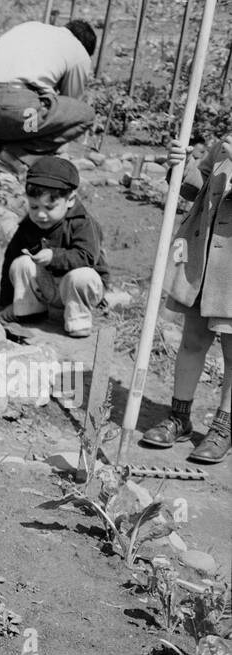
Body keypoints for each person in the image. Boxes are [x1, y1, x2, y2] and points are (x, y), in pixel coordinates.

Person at [137, 137, 232, 465]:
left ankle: (223, 427)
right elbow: (196, 189)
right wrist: (183, 165)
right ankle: (180, 417)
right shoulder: (224, 144)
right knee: (192, 340)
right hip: (204, 261)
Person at [0, 19, 98, 176]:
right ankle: (12, 159)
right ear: (86, 47)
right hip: (10, 110)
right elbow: (70, 103)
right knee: (85, 115)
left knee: (6, 102)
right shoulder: (79, 52)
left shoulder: (30, 27)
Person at [0, 156, 109, 339]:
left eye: (49, 208)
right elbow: (9, 258)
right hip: (49, 287)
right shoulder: (28, 226)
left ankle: (78, 318)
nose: (40, 215)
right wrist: (7, 301)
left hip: (80, 289)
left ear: (70, 199)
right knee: (21, 263)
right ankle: (29, 310)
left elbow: (87, 257)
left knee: (81, 276)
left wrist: (53, 256)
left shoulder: (83, 224)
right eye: (34, 207)